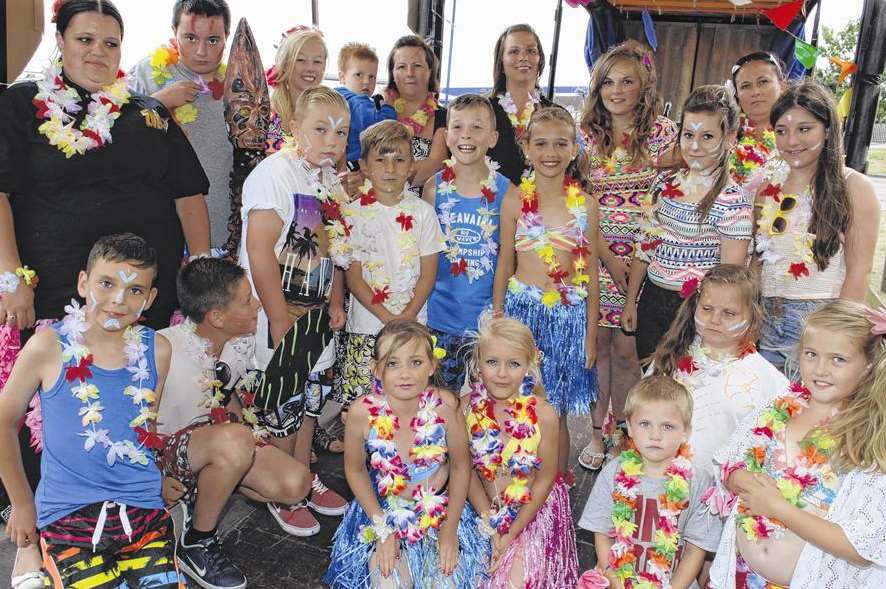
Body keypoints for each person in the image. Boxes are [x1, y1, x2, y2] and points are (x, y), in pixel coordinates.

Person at [0, 0, 210, 333]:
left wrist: (202, 276)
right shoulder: (21, 103)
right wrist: (10, 278)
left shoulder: (150, 111)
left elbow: (189, 196)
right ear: (60, 40)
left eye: (110, 43)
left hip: (148, 306)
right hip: (52, 303)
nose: (98, 51)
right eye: (85, 40)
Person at [0, 233, 183, 589]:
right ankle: (36, 553)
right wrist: (23, 506)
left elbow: (142, 427)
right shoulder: (48, 346)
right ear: (83, 283)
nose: (118, 300)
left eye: (134, 290)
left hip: (141, 507)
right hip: (69, 515)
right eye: (106, 283)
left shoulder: (157, 350)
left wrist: (157, 477)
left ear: (150, 298)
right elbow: (3, 422)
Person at [154, 258, 315, 589]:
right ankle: (198, 540)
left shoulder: (238, 341)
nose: (257, 304)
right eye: (246, 300)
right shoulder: (162, 347)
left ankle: (204, 490)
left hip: (217, 443)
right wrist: (155, 478)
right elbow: (129, 424)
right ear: (216, 317)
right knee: (235, 441)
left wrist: (252, 438)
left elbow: (224, 395)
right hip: (165, 454)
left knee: (295, 483)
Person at [708, 300, 886, 588]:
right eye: (811, 354)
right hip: (743, 575)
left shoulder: (869, 436)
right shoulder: (779, 406)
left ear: (868, 366)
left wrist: (779, 508)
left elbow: (863, 545)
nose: (821, 369)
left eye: (838, 359)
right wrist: (741, 479)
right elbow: (730, 462)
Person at [240, 86, 351, 536]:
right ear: (294, 129)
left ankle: (302, 476)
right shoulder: (276, 173)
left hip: (317, 316)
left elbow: (335, 247)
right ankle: (280, 488)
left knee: (309, 403)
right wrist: (280, 318)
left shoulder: (326, 178)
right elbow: (260, 250)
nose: (331, 140)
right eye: (320, 129)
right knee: (280, 405)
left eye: (341, 132)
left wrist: (337, 300)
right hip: (279, 316)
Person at [576, 39, 678, 471]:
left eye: (627, 81)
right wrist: (607, 259)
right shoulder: (585, 136)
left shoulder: (662, 134)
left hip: (645, 258)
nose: (617, 90)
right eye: (608, 83)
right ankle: (597, 433)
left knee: (629, 354)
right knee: (597, 351)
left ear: (645, 86)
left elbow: (673, 195)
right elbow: (578, 200)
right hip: (596, 258)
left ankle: (626, 433)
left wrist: (633, 266)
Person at [324, 320, 487, 588]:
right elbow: (354, 470)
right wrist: (382, 528)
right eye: (392, 363)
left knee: (448, 580)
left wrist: (450, 528)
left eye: (415, 362)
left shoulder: (445, 406)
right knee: (389, 581)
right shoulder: (361, 413)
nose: (405, 374)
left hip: (440, 511)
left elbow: (460, 466)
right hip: (383, 509)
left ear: (432, 366)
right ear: (376, 370)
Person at [493, 105, 599, 473]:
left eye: (560, 144)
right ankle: (516, 474)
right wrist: (496, 317)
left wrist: (590, 334)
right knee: (519, 401)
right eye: (540, 144)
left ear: (574, 148)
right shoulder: (513, 200)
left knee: (558, 408)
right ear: (526, 148)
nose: (550, 153)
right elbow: (505, 260)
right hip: (522, 313)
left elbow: (592, 275)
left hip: (567, 316)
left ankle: (554, 482)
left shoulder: (585, 205)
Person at [753, 80, 879, 378]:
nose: (791, 141)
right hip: (767, 320)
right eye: (781, 131)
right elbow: (758, 260)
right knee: (769, 419)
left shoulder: (853, 187)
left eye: (804, 129)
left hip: (820, 324)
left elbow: (860, 270)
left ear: (828, 129)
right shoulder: (767, 186)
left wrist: (838, 341)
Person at [623, 85, 753, 364]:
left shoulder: (733, 201)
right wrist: (632, 300)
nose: (695, 146)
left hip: (697, 311)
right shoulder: (662, 184)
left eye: (707, 137)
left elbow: (730, 279)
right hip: (652, 302)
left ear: (729, 138)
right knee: (650, 384)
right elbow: (644, 248)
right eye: (688, 135)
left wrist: (711, 322)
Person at [332, 120, 445, 414]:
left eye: (399, 160)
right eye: (380, 160)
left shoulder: (423, 213)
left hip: (413, 324)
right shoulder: (353, 214)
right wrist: (387, 318)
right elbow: (354, 278)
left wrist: (406, 318)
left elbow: (428, 274)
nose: (390, 169)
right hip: (367, 326)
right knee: (363, 412)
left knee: (409, 409)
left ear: (411, 167)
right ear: (365, 167)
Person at [464, 315, 578, 588]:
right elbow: (464, 471)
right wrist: (489, 524)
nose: (502, 373)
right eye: (492, 362)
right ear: (477, 364)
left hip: (532, 512)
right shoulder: (465, 408)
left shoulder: (544, 414)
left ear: (529, 366)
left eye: (513, 364)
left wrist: (511, 533)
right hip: (482, 508)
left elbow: (545, 480)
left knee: (513, 580)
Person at [578, 375, 722, 589]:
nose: (655, 435)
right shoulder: (613, 473)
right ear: (630, 427)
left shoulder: (698, 482)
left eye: (668, 426)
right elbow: (602, 534)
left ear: (686, 432)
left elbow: (696, 548)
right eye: (645, 424)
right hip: (618, 581)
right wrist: (617, 583)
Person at [649, 264, 788, 475]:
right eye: (707, 309)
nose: (714, 320)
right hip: (662, 480)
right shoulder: (670, 358)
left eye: (729, 313)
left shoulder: (769, 381)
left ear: (752, 317)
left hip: (721, 493)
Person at [422, 94, 514, 392]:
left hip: (484, 321)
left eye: (476, 127)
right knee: (440, 403)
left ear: (493, 136)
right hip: (439, 316)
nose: (466, 135)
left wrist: (498, 314)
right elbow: (425, 255)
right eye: (458, 127)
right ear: (446, 136)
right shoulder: (434, 188)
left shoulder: (507, 192)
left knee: (483, 407)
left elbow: (506, 258)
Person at [129, 0, 232, 256]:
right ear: (174, 30)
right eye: (190, 37)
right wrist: (158, 103)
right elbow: (117, 137)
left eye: (213, 40)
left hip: (222, 235)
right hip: (156, 231)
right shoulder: (146, 74)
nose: (201, 51)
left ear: (227, 37)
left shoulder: (237, 85)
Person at [486, 24, 554, 186]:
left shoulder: (556, 114)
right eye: (514, 51)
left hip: (543, 207)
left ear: (540, 59)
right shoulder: (483, 111)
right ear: (501, 61)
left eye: (531, 51)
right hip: (490, 206)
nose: (523, 57)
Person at [385, 36, 448, 193]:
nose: (409, 73)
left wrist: (379, 174)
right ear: (392, 73)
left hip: (423, 208)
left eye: (417, 65)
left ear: (430, 71)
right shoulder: (377, 109)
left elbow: (434, 165)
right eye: (401, 67)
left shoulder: (444, 117)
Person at [265, 26, 327, 154]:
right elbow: (268, 164)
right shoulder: (269, 113)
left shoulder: (332, 109)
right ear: (286, 64)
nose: (310, 68)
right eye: (301, 60)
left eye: (317, 61)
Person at [728, 52, 785, 189]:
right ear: (737, 95)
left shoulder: (798, 138)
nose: (755, 92)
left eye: (763, 82)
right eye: (745, 86)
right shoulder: (723, 135)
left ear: (782, 85)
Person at [335, 41, 396, 166]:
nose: (366, 81)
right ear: (342, 77)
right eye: (358, 75)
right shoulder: (357, 102)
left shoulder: (336, 98)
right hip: (355, 163)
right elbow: (385, 126)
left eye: (372, 77)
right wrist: (387, 107)